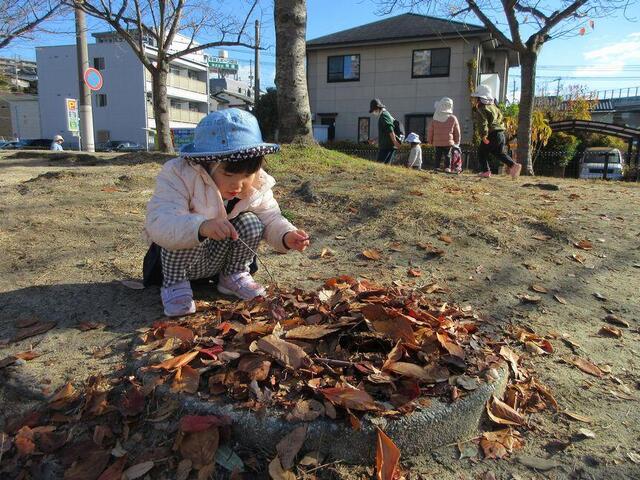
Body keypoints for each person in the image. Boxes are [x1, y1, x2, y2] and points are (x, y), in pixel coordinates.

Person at [143, 108, 310, 317]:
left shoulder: (256, 183)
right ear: (206, 163)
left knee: (252, 221)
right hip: (175, 261)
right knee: (186, 225)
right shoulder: (179, 174)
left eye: (247, 175)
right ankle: (175, 285)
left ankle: (233, 275)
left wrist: (286, 235)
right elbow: (162, 221)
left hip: (217, 260)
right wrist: (202, 226)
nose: (238, 185)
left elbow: (270, 216)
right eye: (229, 174)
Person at [470, 85, 521, 178]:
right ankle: (513, 165)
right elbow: (500, 120)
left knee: (481, 152)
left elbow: (483, 123)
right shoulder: (495, 107)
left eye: (476, 98)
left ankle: (485, 171)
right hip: (501, 133)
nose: (475, 100)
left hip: (491, 134)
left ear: (480, 99)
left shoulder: (482, 109)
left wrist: (484, 135)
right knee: (499, 153)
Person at [427, 97, 460, 171]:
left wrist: (429, 140)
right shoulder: (453, 118)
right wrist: (457, 141)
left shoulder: (435, 118)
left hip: (437, 141)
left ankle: (436, 167)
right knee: (447, 155)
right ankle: (447, 167)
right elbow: (457, 131)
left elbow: (430, 131)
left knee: (438, 155)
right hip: (448, 141)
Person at [369, 98, 401, 164]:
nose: (373, 112)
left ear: (377, 108)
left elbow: (390, 129)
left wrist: (395, 141)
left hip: (386, 147)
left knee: (379, 166)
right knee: (384, 167)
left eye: (374, 110)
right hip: (388, 146)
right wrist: (375, 140)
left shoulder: (384, 115)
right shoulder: (385, 115)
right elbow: (386, 132)